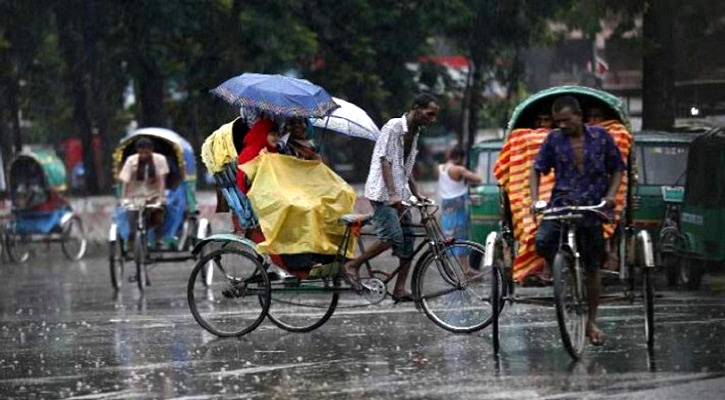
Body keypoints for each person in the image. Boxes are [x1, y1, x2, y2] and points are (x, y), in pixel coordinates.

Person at [530, 95, 625, 346]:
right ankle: (562, 270)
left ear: (579, 116)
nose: (561, 125)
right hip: (562, 203)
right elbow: (536, 168)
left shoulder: (601, 138)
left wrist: (611, 195)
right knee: (543, 240)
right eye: (557, 121)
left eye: (566, 120)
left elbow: (617, 167)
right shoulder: (553, 140)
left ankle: (591, 320)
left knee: (593, 267)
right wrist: (534, 199)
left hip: (592, 206)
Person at [344, 93, 440, 302]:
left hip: (400, 195)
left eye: (434, 116)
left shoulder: (415, 132)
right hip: (382, 193)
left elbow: (405, 168)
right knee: (391, 237)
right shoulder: (394, 126)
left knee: (407, 243)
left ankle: (399, 289)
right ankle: (353, 264)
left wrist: (416, 193)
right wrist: (393, 194)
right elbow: (385, 161)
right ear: (415, 108)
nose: (431, 119)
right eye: (429, 114)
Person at [437, 145, 483, 278]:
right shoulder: (459, 169)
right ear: (460, 158)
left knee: (448, 236)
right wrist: (477, 170)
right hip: (458, 205)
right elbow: (478, 179)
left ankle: (447, 267)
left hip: (446, 205)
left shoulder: (440, 168)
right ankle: (466, 268)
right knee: (462, 237)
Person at [118, 138, 169, 245]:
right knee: (131, 216)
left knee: (159, 214)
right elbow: (126, 181)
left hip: (153, 195)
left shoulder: (160, 160)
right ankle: (132, 240)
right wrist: (124, 198)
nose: (143, 155)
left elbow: (161, 180)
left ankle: (158, 237)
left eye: (146, 152)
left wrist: (160, 197)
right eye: (141, 152)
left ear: (151, 150)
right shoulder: (131, 161)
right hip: (136, 196)